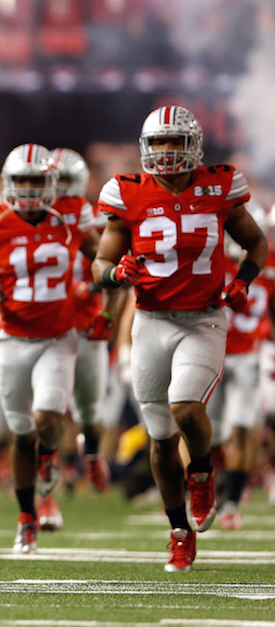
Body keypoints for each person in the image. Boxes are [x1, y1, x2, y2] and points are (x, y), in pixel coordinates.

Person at [93, 105, 267, 572]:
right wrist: (115, 272)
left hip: (203, 319)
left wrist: (244, 279)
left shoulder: (220, 186)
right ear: (146, 147)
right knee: (159, 439)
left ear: (194, 146)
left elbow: (256, 243)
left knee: (186, 407)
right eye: (160, 143)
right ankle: (178, 531)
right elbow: (98, 267)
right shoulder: (126, 192)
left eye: (176, 142)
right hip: (151, 323)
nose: (168, 152)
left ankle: (204, 471)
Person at [0, 144, 107, 553]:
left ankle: (50, 457)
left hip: (58, 338)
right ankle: (26, 516)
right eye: (22, 181)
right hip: (11, 339)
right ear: (9, 185)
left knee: (48, 417)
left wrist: (105, 282)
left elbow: (102, 259)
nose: (29, 189)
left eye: (36, 180)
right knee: (20, 432)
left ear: (51, 183)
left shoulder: (71, 217)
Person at [52, 148, 113, 493]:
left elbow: (117, 271)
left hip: (86, 323)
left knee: (88, 411)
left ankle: (90, 451)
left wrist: (103, 307)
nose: (57, 188)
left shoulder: (98, 219)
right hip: (49, 328)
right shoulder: (31, 219)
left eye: (64, 180)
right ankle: (58, 473)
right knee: (50, 406)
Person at [210, 211, 275, 531]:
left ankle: (233, 502)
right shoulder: (209, 259)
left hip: (249, 355)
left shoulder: (268, 263)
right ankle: (211, 488)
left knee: (241, 428)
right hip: (211, 351)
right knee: (204, 433)